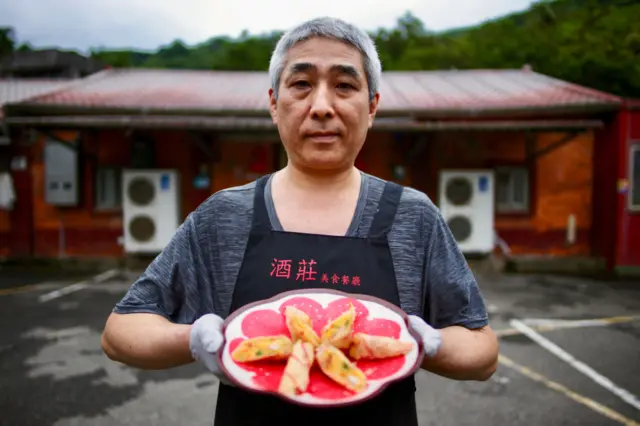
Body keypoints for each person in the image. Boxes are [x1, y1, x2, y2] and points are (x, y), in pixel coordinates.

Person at [101, 16, 499, 426]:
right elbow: (120, 331)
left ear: (373, 105)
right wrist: (192, 339)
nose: (322, 107)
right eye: (301, 85)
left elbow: (482, 351)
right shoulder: (223, 217)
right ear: (274, 103)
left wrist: (430, 343)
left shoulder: (413, 217)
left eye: (344, 86)